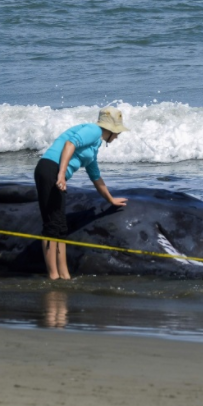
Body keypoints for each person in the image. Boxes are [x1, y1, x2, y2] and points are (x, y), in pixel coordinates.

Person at [34, 106, 129, 280]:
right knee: (52, 225)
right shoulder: (93, 130)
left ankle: (63, 274)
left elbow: (96, 177)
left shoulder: (93, 147)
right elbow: (70, 144)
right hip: (50, 169)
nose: (117, 137)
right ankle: (54, 276)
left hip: (54, 172)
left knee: (60, 226)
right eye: (117, 133)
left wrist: (111, 199)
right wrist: (61, 174)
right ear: (110, 129)